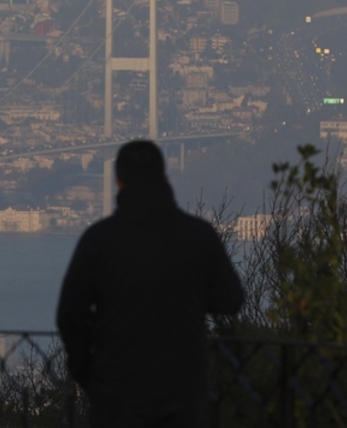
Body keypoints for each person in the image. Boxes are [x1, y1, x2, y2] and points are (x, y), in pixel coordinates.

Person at [56, 140, 244, 427]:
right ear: (165, 178)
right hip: (183, 391)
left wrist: (88, 374)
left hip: (116, 394)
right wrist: (188, 296)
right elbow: (231, 300)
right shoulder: (198, 236)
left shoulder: (99, 240)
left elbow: (69, 315)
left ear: (118, 182)